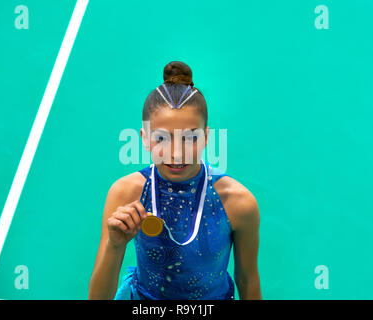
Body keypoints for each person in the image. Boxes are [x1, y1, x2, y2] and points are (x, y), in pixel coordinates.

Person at [88, 61, 261, 300]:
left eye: (189, 138)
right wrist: (115, 245)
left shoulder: (238, 202)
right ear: (145, 139)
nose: (176, 153)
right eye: (161, 139)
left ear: (206, 137)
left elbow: (248, 279)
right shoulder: (126, 193)